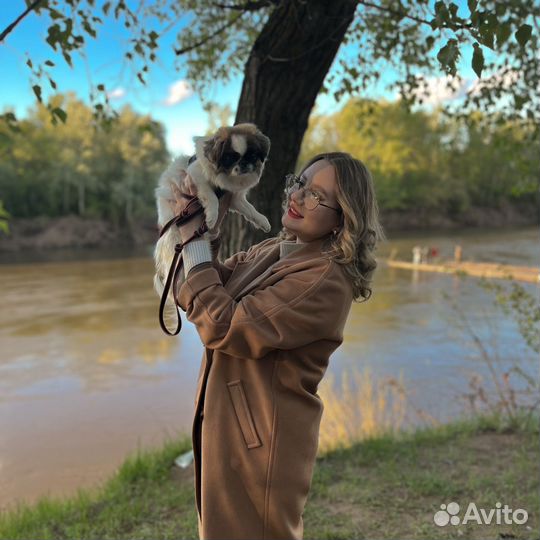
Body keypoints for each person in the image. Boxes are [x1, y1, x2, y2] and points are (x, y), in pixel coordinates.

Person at [167, 152, 385, 540]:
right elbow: (203, 289)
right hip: (231, 426)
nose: (297, 198)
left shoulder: (324, 281)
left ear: (343, 219)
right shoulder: (275, 249)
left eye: (317, 196)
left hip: (262, 441)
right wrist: (201, 227)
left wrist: (194, 241)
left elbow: (223, 324)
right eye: (299, 183)